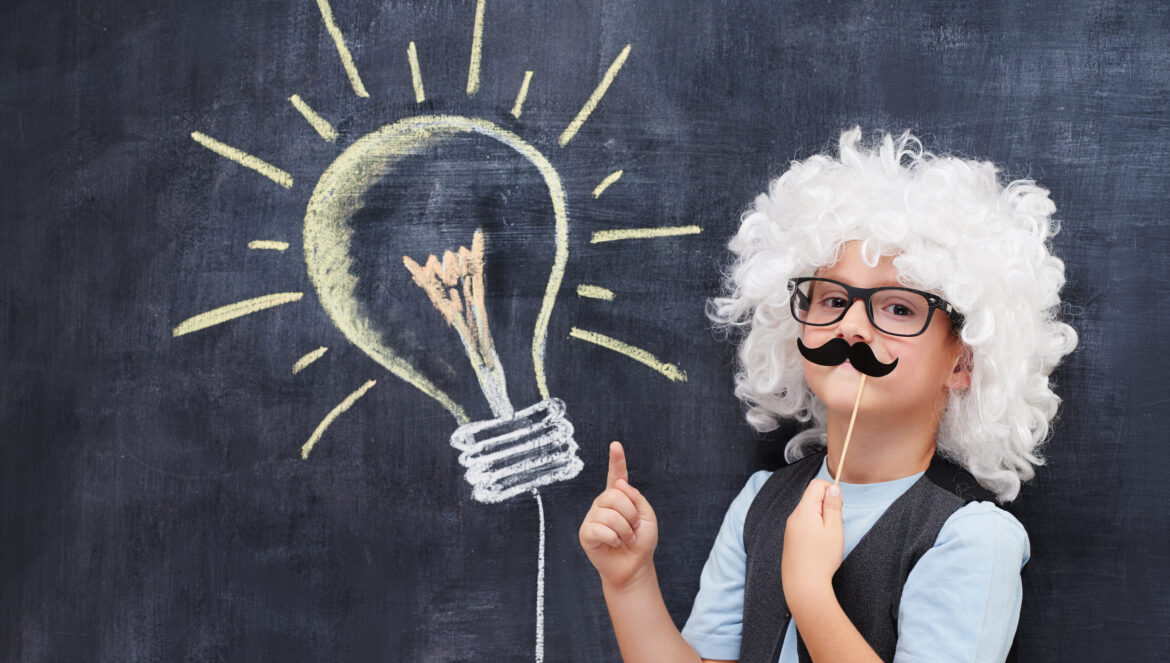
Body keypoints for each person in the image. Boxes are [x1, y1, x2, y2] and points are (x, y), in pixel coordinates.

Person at [578, 127, 1078, 662]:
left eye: (899, 308)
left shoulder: (970, 536)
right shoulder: (761, 503)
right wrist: (629, 582)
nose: (853, 327)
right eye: (833, 299)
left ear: (962, 361)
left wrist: (811, 593)